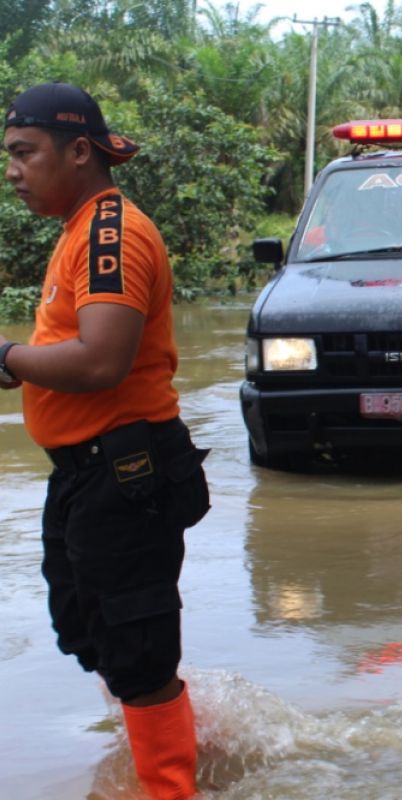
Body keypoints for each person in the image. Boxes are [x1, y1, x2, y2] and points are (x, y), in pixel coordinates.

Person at [0, 82, 209, 800]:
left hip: (127, 472)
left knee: (137, 647)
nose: (13, 171)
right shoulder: (81, 229)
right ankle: (173, 733)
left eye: (25, 153)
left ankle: (171, 786)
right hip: (89, 474)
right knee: (86, 627)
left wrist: (6, 357)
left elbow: (99, 360)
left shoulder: (111, 232)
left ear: (79, 150)